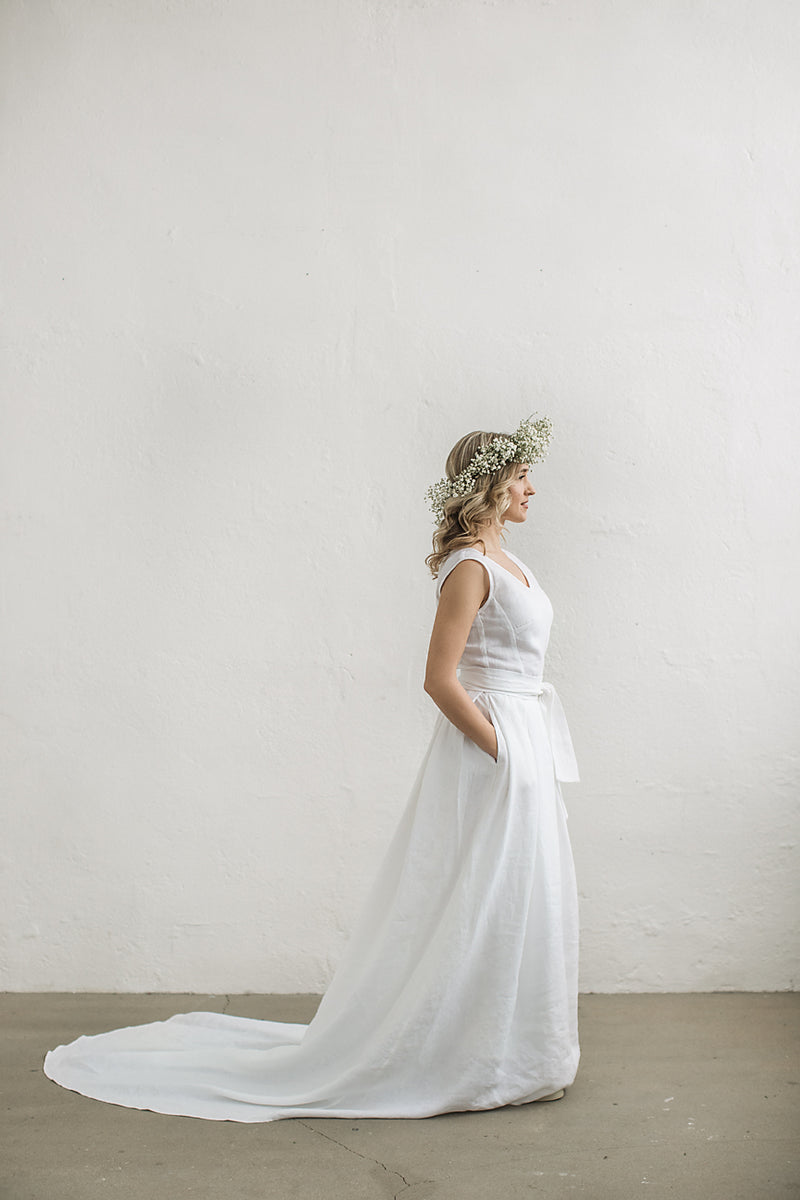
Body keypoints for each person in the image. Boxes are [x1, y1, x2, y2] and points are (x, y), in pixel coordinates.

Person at [44, 415, 580, 1122]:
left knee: (520, 893)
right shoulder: (472, 569)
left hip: (526, 741)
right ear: (490, 484)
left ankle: (517, 1048)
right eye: (520, 478)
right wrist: (502, 748)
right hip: (496, 750)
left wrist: (526, 745)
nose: (531, 490)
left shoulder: (513, 563)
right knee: (479, 897)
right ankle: (465, 1054)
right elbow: (439, 679)